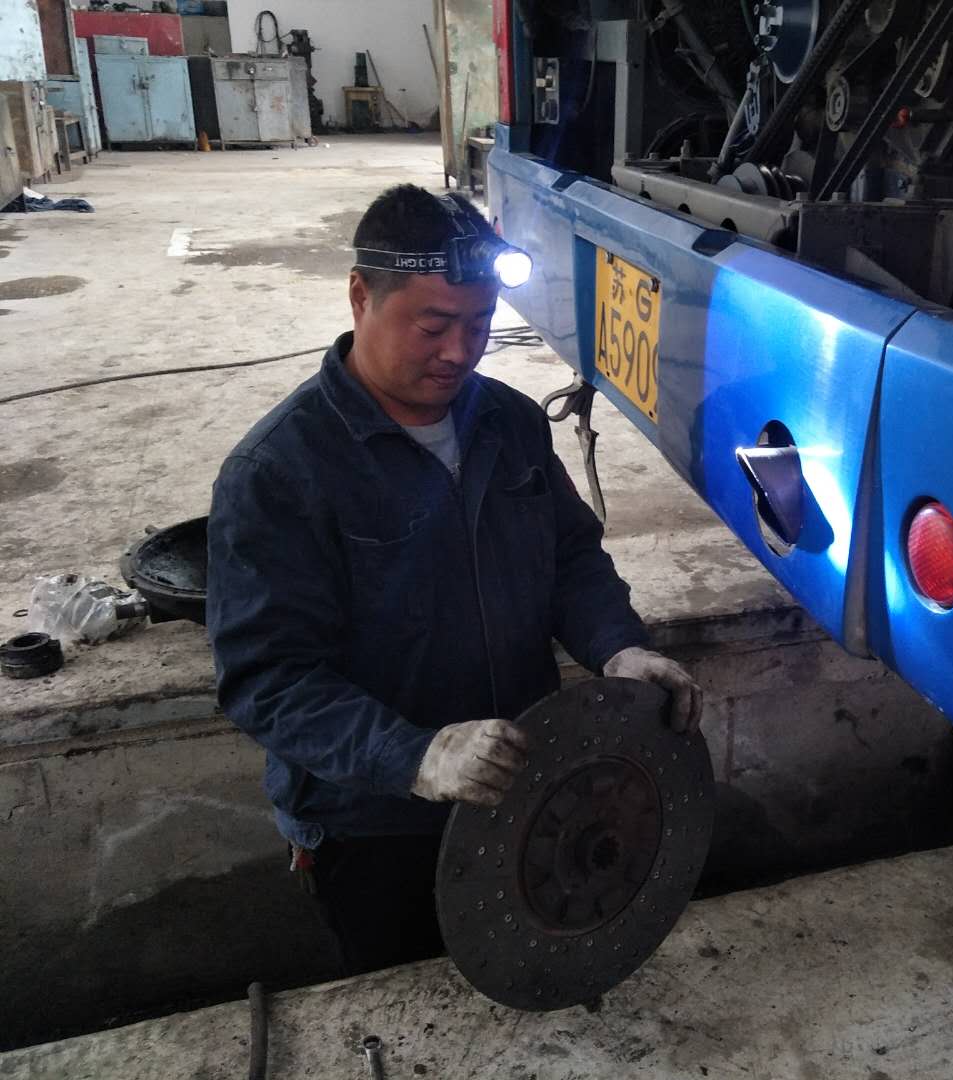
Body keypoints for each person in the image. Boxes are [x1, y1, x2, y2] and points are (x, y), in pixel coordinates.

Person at [207, 183, 701, 974]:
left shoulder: (507, 421)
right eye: (433, 325)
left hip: (522, 789)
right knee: (409, 1007)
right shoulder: (279, 473)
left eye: (479, 324)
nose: (458, 351)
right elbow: (268, 679)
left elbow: (570, 559)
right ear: (360, 296)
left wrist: (618, 647)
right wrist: (415, 756)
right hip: (374, 829)